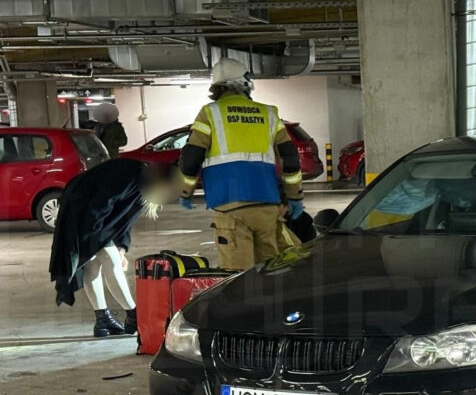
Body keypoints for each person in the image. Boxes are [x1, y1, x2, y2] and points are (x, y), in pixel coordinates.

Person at [177, 58, 304, 270]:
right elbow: (291, 158)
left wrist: (186, 191)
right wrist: (294, 197)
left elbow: (191, 157)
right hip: (267, 206)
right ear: (243, 83)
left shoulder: (210, 113)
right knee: (271, 271)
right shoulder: (269, 113)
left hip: (229, 207)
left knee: (238, 279)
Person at [49, 159, 178, 337]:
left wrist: (121, 248)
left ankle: (103, 320)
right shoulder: (129, 174)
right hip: (80, 209)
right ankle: (134, 315)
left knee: (95, 265)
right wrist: (94, 241)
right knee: (110, 261)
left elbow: (125, 221)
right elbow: (100, 206)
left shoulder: (144, 187)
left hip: (92, 213)